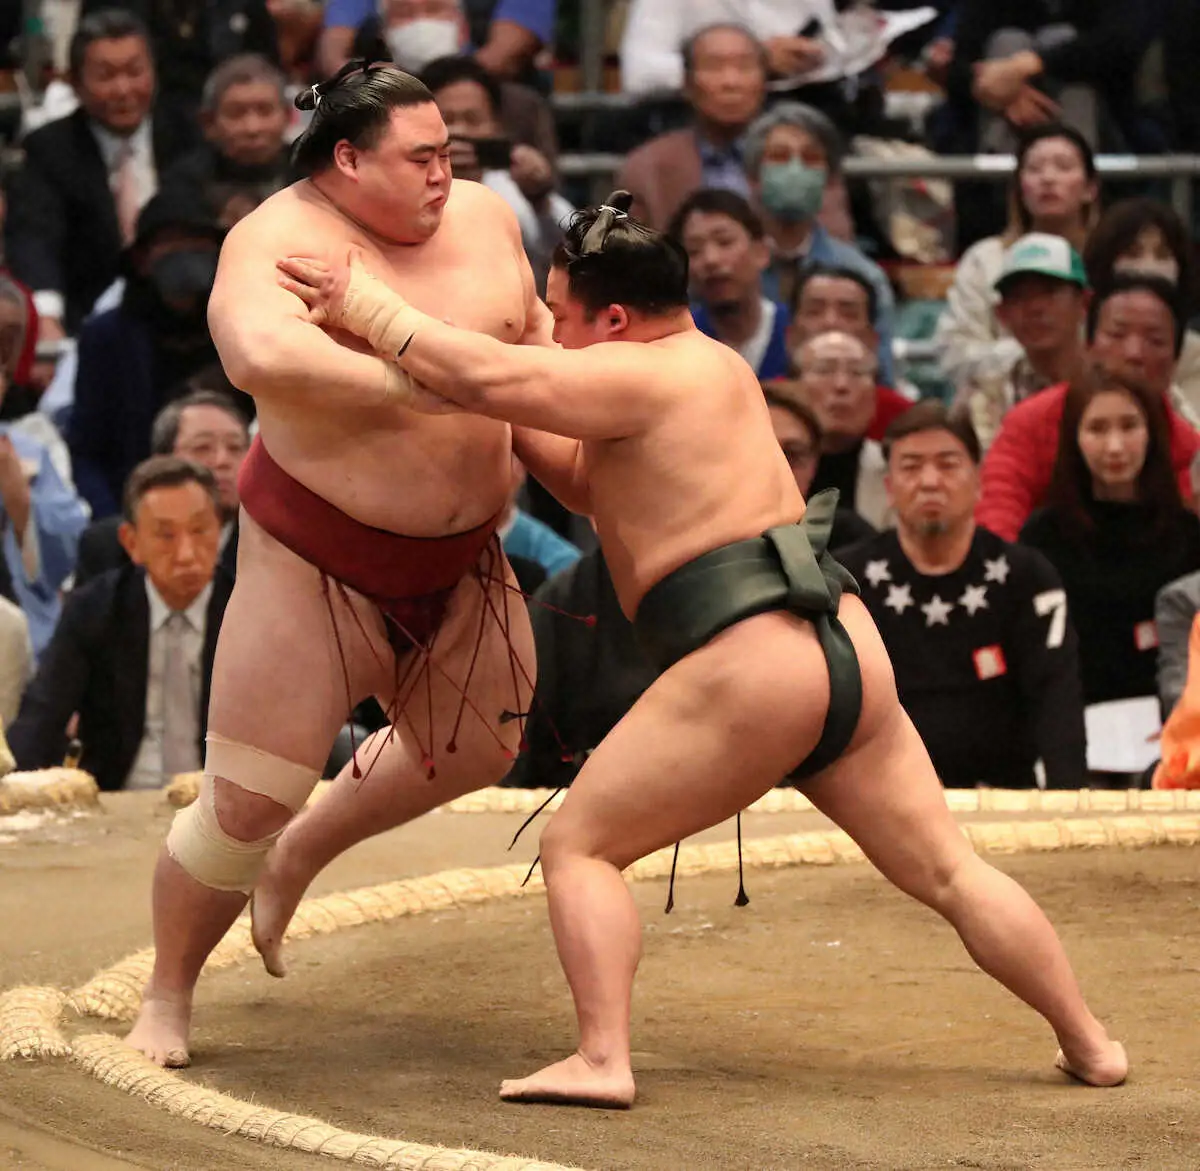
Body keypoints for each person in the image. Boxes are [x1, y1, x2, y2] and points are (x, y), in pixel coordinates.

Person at [277, 190, 1126, 1106]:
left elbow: (489, 379)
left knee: (580, 848)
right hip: (839, 643)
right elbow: (584, 479)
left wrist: (365, 305)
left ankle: (603, 1057)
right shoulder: (711, 371)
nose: (555, 336)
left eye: (564, 320)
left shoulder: (640, 374)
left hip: (752, 658)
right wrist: (509, 362)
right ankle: (1090, 1040)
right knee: (951, 869)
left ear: (614, 317)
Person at [123, 62, 539, 1070]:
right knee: (247, 807)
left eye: (450, 152)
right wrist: (418, 381)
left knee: (484, 742)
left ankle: (309, 849)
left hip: (468, 554)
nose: (447, 173)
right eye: (422, 157)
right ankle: (166, 993)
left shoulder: (486, 219)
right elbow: (260, 355)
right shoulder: (275, 238)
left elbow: (535, 336)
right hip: (315, 557)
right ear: (348, 160)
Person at [840, 402, 1085, 790]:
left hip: (1005, 796)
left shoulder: (1027, 576)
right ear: (889, 487)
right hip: (880, 799)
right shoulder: (845, 580)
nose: (930, 481)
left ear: (979, 479)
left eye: (948, 464)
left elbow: (1057, 701)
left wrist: (1070, 804)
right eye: (911, 466)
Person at [9, 457, 232, 790]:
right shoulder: (94, 609)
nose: (187, 553)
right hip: (115, 795)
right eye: (166, 536)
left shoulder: (249, 610)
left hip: (222, 803)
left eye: (200, 530)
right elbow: (43, 716)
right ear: (132, 543)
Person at [4, 9, 199, 338]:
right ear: (76, 83)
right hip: (86, 322)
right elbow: (35, 239)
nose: (123, 89)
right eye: (106, 75)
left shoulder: (189, 134)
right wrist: (46, 318)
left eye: (134, 71)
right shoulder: (49, 148)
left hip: (189, 319)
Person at [1020, 374, 1200, 707]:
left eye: (1129, 426)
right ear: (1074, 438)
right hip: (1079, 720)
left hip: (1177, 721)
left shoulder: (1189, 535)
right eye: (1097, 429)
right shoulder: (1044, 537)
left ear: (1152, 433)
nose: (1115, 446)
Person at [977, 275, 1200, 541]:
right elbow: (999, 507)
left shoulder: (1181, 434)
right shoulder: (1030, 421)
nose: (1134, 352)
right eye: (1117, 334)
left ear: (1175, 358)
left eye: (1155, 340)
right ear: (1089, 343)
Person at [934, 124, 1097, 398]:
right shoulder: (984, 259)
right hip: (1000, 402)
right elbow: (956, 354)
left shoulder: (1109, 258)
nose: (1048, 178)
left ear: (1090, 188)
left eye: (1063, 166)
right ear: (1020, 188)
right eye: (1034, 169)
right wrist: (1036, 351)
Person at [742, 103, 896, 382]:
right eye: (779, 157)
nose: (795, 169)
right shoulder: (726, 270)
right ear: (753, 177)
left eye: (811, 159)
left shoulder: (862, 276)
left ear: (830, 180)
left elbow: (880, 378)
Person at [74, 389, 249, 585]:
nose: (222, 461)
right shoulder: (107, 549)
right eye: (202, 447)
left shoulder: (274, 549)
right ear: (163, 462)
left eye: (235, 448)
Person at [616, 23, 767, 232]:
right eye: (714, 67)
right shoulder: (646, 169)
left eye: (744, 67)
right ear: (687, 84)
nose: (731, 82)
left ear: (764, 82)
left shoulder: (800, 158)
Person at [957, 232, 1090, 452]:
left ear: (1084, 303)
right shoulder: (983, 400)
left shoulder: (1116, 387)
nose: (1035, 308)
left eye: (1050, 292)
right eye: (1020, 296)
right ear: (1002, 314)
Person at [1082, 197, 1200, 419]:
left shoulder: (1196, 356)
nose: (1148, 266)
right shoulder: (1072, 345)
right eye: (1133, 253)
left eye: (1162, 255)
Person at [669, 189, 789, 381]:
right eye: (694, 250)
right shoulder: (675, 343)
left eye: (725, 242)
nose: (711, 260)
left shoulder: (793, 331)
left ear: (761, 251)